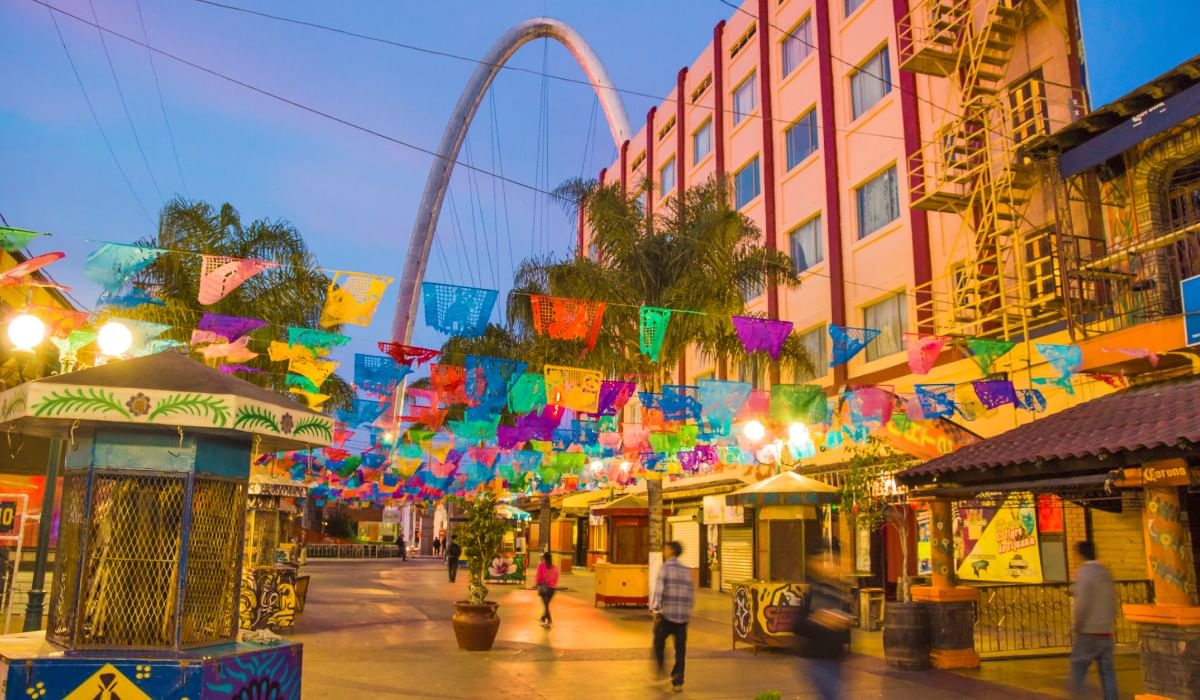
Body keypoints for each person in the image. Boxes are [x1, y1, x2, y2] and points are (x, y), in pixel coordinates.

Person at [795, 551, 852, 700]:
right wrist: (818, 619)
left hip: (835, 660)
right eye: (822, 561)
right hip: (819, 660)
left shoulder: (838, 591)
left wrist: (844, 622)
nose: (830, 565)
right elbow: (797, 625)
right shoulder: (813, 592)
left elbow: (847, 625)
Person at [1070, 541, 1117, 700]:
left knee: (1078, 669)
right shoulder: (1106, 572)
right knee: (1107, 672)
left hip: (1088, 631)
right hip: (1106, 631)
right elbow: (1113, 601)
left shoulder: (1085, 573)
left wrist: (1077, 624)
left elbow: (1082, 603)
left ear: (1080, 555)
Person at [651, 541, 694, 694]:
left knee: (658, 642)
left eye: (666, 549)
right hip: (682, 617)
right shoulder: (685, 569)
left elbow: (659, 589)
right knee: (680, 650)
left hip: (667, 615)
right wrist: (687, 611)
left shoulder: (666, 567)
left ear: (671, 551)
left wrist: (655, 609)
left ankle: (660, 670)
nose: (664, 551)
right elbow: (690, 593)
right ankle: (678, 681)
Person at [536, 552, 559, 628]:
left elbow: (539, 577)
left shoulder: (541, 566)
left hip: (544, 588)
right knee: (546, 605)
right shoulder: (554, 567)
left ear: (544, 558)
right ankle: (543, 617)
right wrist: (552, 584)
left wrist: (538, 584)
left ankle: (549, 620)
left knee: (546, 605)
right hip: (552, 589)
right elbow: (556, 577)